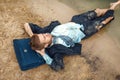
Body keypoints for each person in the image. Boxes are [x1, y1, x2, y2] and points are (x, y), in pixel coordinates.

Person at [24, 1, 120, 71]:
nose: (45, 34)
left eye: (42, 34)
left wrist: (33, 36)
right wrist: (43, 54)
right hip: (85, 31)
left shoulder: (45, 31)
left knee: (98, 11)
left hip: (77, 21)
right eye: (44, 37)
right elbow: (58, 66)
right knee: (108, 18)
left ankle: (111, 7)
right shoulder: (56, 50)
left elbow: (26, 24)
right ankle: (114, 6)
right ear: (45, 46)